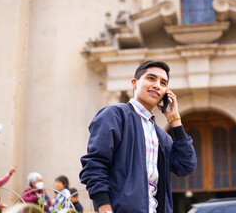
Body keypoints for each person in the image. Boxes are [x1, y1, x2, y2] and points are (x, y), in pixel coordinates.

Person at [80, 60, 197, 213]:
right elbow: (95, 164)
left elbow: (186, 166)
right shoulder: (115, 115)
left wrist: (175, 119)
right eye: (151, 78)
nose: (157, 85)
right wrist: (104, 207)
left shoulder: (162, 137)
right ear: (134, 83)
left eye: (163, 83)